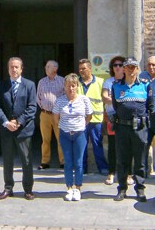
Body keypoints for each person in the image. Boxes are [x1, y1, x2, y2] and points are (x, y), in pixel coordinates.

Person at [0, 57, 37, 200]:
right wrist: (6, 122)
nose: (14, 70)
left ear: (21, 68)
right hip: (7, 129)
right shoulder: (2, 85)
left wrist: (18, 122)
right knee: (7, 160)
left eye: (16, 67)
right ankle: (8, 188)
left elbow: (32, 107)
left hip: (23, 129)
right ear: (8, 69)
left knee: (26, 160)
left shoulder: (29, 85)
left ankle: (28, 189)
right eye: (11, 67)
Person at [111, 58, 152, 202]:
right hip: (122, 127)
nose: (130, 70)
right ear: (123, 69)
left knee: (140, 160)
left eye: (133, 67)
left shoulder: (145, 85)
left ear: (137, 69)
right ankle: (122, 189)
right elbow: (116, 107)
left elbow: (150, 107)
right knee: (122, 160)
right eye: (127, 67)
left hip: (140, 128)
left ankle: (140, 189)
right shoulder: (116, 86)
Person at [53, 73, 92, 201]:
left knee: (79, 162)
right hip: (65, 134)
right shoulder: (60, 100)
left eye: (73, 86)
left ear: (77, 86)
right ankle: (69, 188)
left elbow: (89, 116)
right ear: (64, 87)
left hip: (79, 134)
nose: (71, 89)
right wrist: (65, 127)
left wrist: (80, 126)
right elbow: (55, 118)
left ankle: (78, 188)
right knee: (68, 162)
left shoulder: (84, 100)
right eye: (68, 86)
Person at [77, 58, 108, 175]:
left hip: (96, 120)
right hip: (80, 121)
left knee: (97, 145)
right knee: (81, 146)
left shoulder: (100, 82)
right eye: (80, 69)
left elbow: (105, 101)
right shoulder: (76, 83)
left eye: (84, 68)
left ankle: (102, 168)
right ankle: (82, 169)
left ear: (90, 69)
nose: (81, 71)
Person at [36, 60, 65, 170]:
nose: (46, 68)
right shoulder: (42, 82)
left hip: (58, 115)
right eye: (46, 66)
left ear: (55, 69)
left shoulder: (62, 81)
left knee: (61, 139)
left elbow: (65, 96)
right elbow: (38, 96)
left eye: (48, 66)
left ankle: (63, 162)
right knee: (45, 139)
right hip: (45, 114)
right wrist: (43, 107)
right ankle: (45, 162)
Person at [102, 56, 126, 185]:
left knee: (127, 146)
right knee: (113, 146)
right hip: (112, 116)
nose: (117, 67)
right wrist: (121, 99)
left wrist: (114, 98)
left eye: (120, 65)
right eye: (115, 65)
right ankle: (111, 173)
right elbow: (105, 98)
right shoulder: (108, 82)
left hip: (126, 116)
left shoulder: (128, 81)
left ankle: (128, 174)